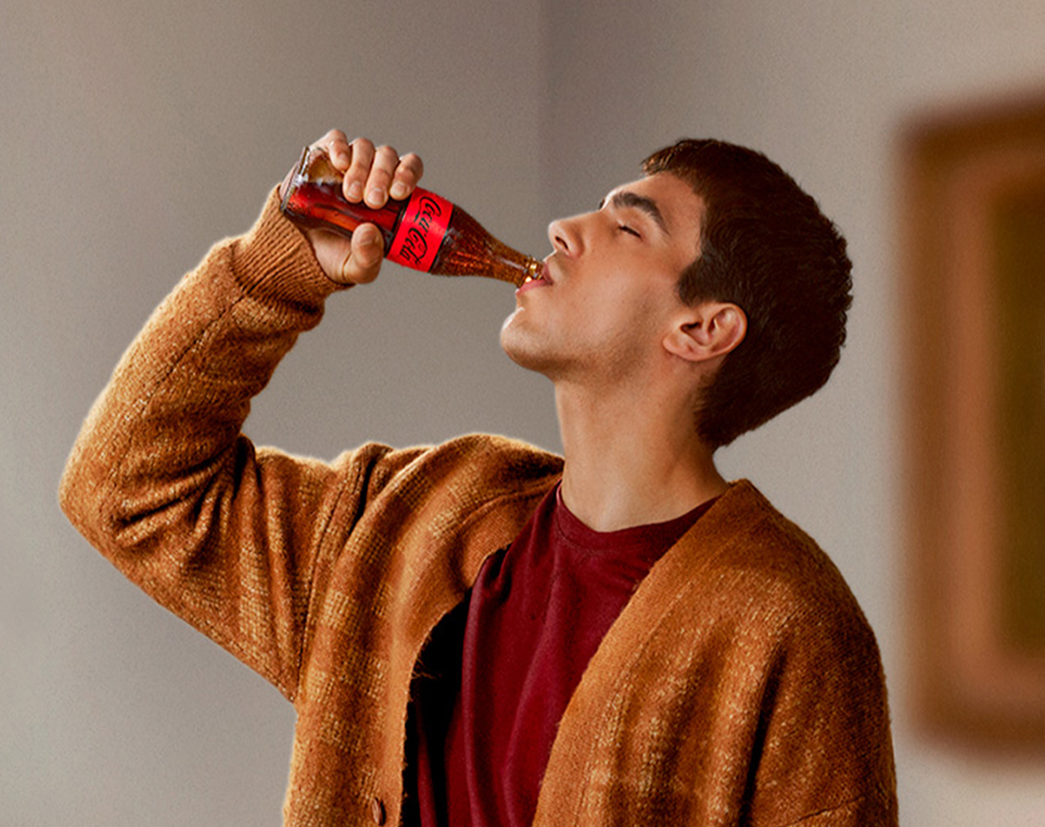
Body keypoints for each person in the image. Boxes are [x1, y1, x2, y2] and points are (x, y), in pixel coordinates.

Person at [60, 129, 897, 826]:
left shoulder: (788, 624)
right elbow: (125, 487)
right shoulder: (410, 522)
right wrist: (282, 266)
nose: (565, 228)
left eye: (628, 227)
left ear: (704, 328)